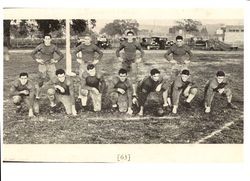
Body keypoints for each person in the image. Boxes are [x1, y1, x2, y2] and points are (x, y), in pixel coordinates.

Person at [31, 34, 64, 98]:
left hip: (51, 65)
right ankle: (37, 95)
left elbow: (61, 55)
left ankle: (57, 94)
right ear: (44, 39)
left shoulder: (53, 46)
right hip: (42, 65)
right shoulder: (40, 46)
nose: (47, 40)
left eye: (49, 39)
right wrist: (37, 60)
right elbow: (32, 53)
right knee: (41, 80)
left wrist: (56, 61)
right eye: (46, 39)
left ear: (51, 39)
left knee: (55, 79)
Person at [116, 30, 145, 97]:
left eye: (131, 36)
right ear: (126, 36)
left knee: (134, 77)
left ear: (133, 36)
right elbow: (117, 50)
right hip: (125, 62)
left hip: (133, 61)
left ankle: (134, 93)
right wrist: (119, 57)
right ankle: (123, 90)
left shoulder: (136, 43)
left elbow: (142, 51)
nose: (129, 37)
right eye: (128, 36)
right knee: (123, 75)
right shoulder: (124, 43)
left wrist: (140, 58)